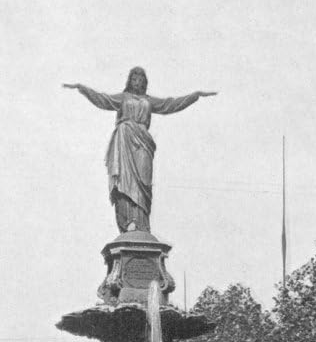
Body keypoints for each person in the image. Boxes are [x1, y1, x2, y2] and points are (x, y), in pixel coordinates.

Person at [63, 68, 216, 233]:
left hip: (143, 143)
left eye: (141, 80)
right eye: (134, 79)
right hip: (125, 140)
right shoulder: (123, 98)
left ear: (145, 83)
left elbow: (170, 104)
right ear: (129, 81)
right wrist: (82, 89)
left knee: (143, 182)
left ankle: (142, 224)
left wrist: (194, 96)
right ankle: (128, 222)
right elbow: (103, 99)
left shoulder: (149, 100)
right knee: (124, 181)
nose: (137, 82)